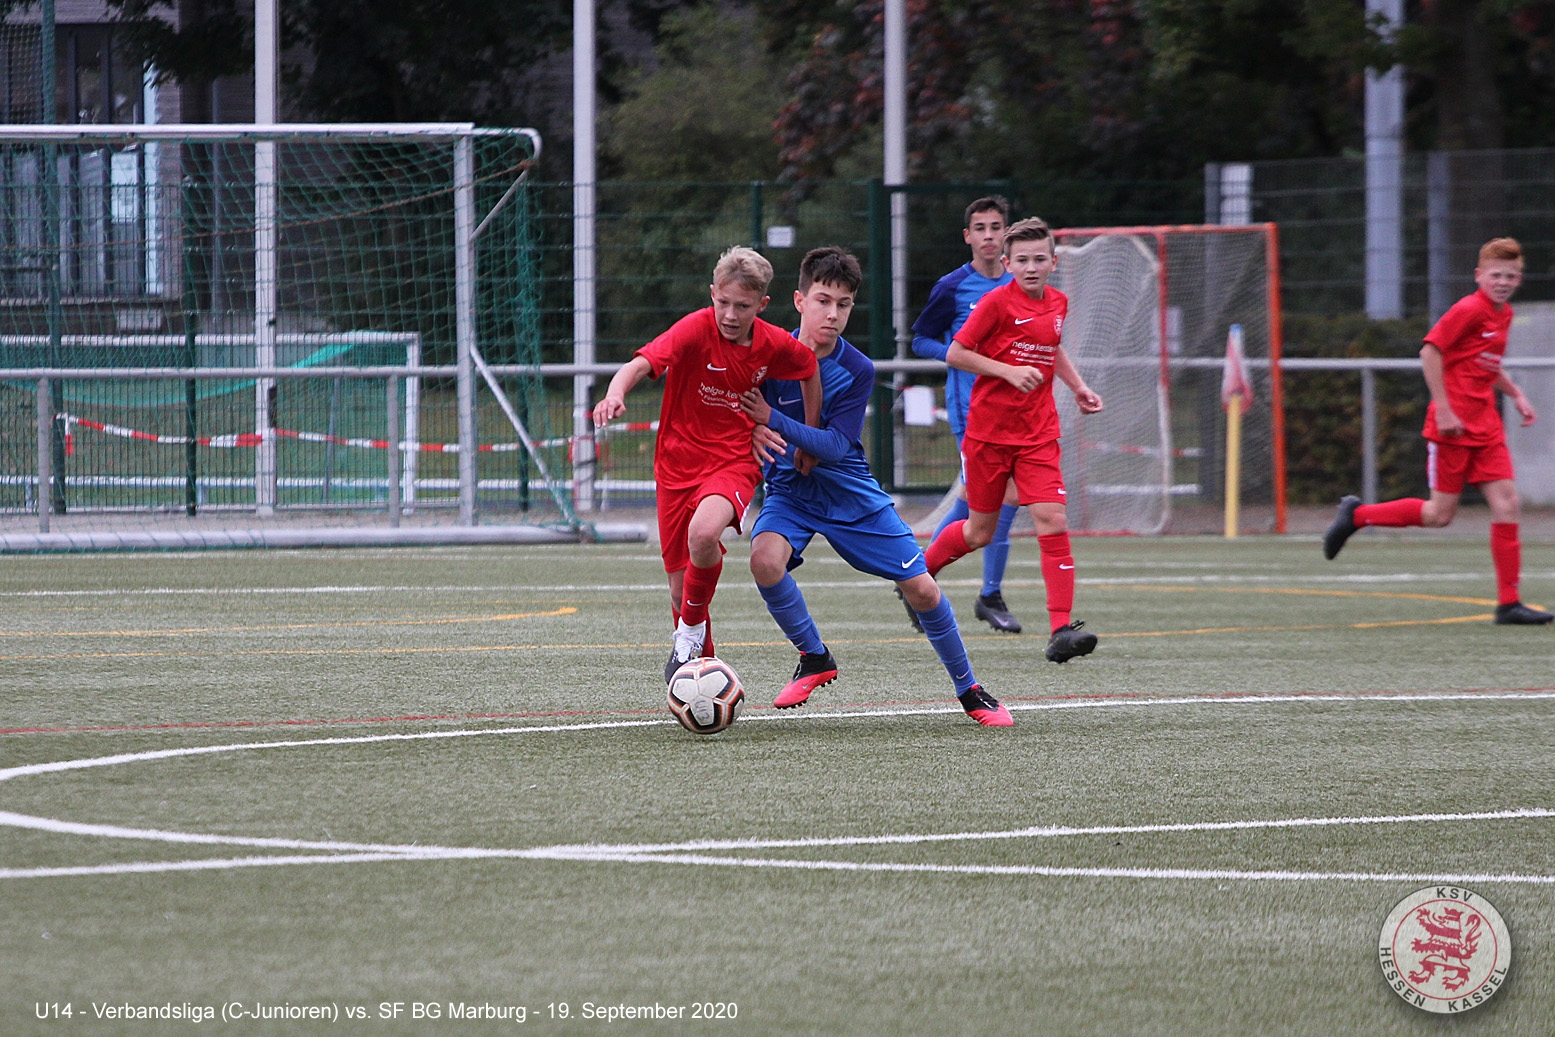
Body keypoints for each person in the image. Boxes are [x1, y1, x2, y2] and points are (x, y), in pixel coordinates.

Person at [740, 246, 1012, 726]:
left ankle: (970, 690)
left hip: (850, 494)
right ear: (799, 301)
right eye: (823, 301)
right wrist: (753, 428)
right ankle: (815, 657)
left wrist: (771, 419)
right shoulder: (766, 355)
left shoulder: (857, 369)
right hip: (791, 492)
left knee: (921, 590)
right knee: (764, 560)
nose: (833, 314)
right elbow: (740, 411)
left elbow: (834, 446)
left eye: (843, 304)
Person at [592, 246, 825, 682]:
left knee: (703, 534)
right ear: (712, 294)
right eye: (724, 302)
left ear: (762, 304)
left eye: (743, 306)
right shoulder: (695, 329)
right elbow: (639, 364)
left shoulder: (773, 342)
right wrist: (615, 393)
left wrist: (809, 437)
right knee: (680, 591)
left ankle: (689, 633)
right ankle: (702, 674)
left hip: (734, 462)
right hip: (675, 467)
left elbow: (809, 368)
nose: (731, 315)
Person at [1323, 237, 1552, 625]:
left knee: (1507, 505)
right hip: (1454, 426)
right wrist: (1443, 409)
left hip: (1486, 425)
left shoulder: (1504, 314)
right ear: (1479, 276)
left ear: (1519, 279)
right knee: (1438, 515)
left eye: (1511, 276)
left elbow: (1485, 361)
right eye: (1496, 275)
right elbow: (1430, 351)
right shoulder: (1468, 309)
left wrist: (1516, 394)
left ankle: (1509, 604)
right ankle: (1357, 515)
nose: (1503, 282)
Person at [920, 217, 1105, 662]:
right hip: (988, 435)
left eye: (1039, 259)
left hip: (1038, 434)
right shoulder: (996, 303)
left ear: (1054, 263)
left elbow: (1051, 347)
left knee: (1052, 519)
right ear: (1008, 264)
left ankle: (1061, 630)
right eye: (1022, 260)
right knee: (978, 532)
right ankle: (917, 576)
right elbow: (957, 352)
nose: (1031, 267)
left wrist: (1078, 386)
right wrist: (1006, 371)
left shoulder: (1058, 303)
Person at [909, 195, 1025, 633]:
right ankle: (988, 594)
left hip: (1015, 412)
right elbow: (921, 340)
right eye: (981, 228)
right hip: (972, 413)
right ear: (967, 236)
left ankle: (919, 576)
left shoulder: (1019, 283)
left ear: (1006, 234)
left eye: (996, 227)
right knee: (1003, 495)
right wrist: (959, 356)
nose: (989, 236)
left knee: (977, 501)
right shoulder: (953, 286)